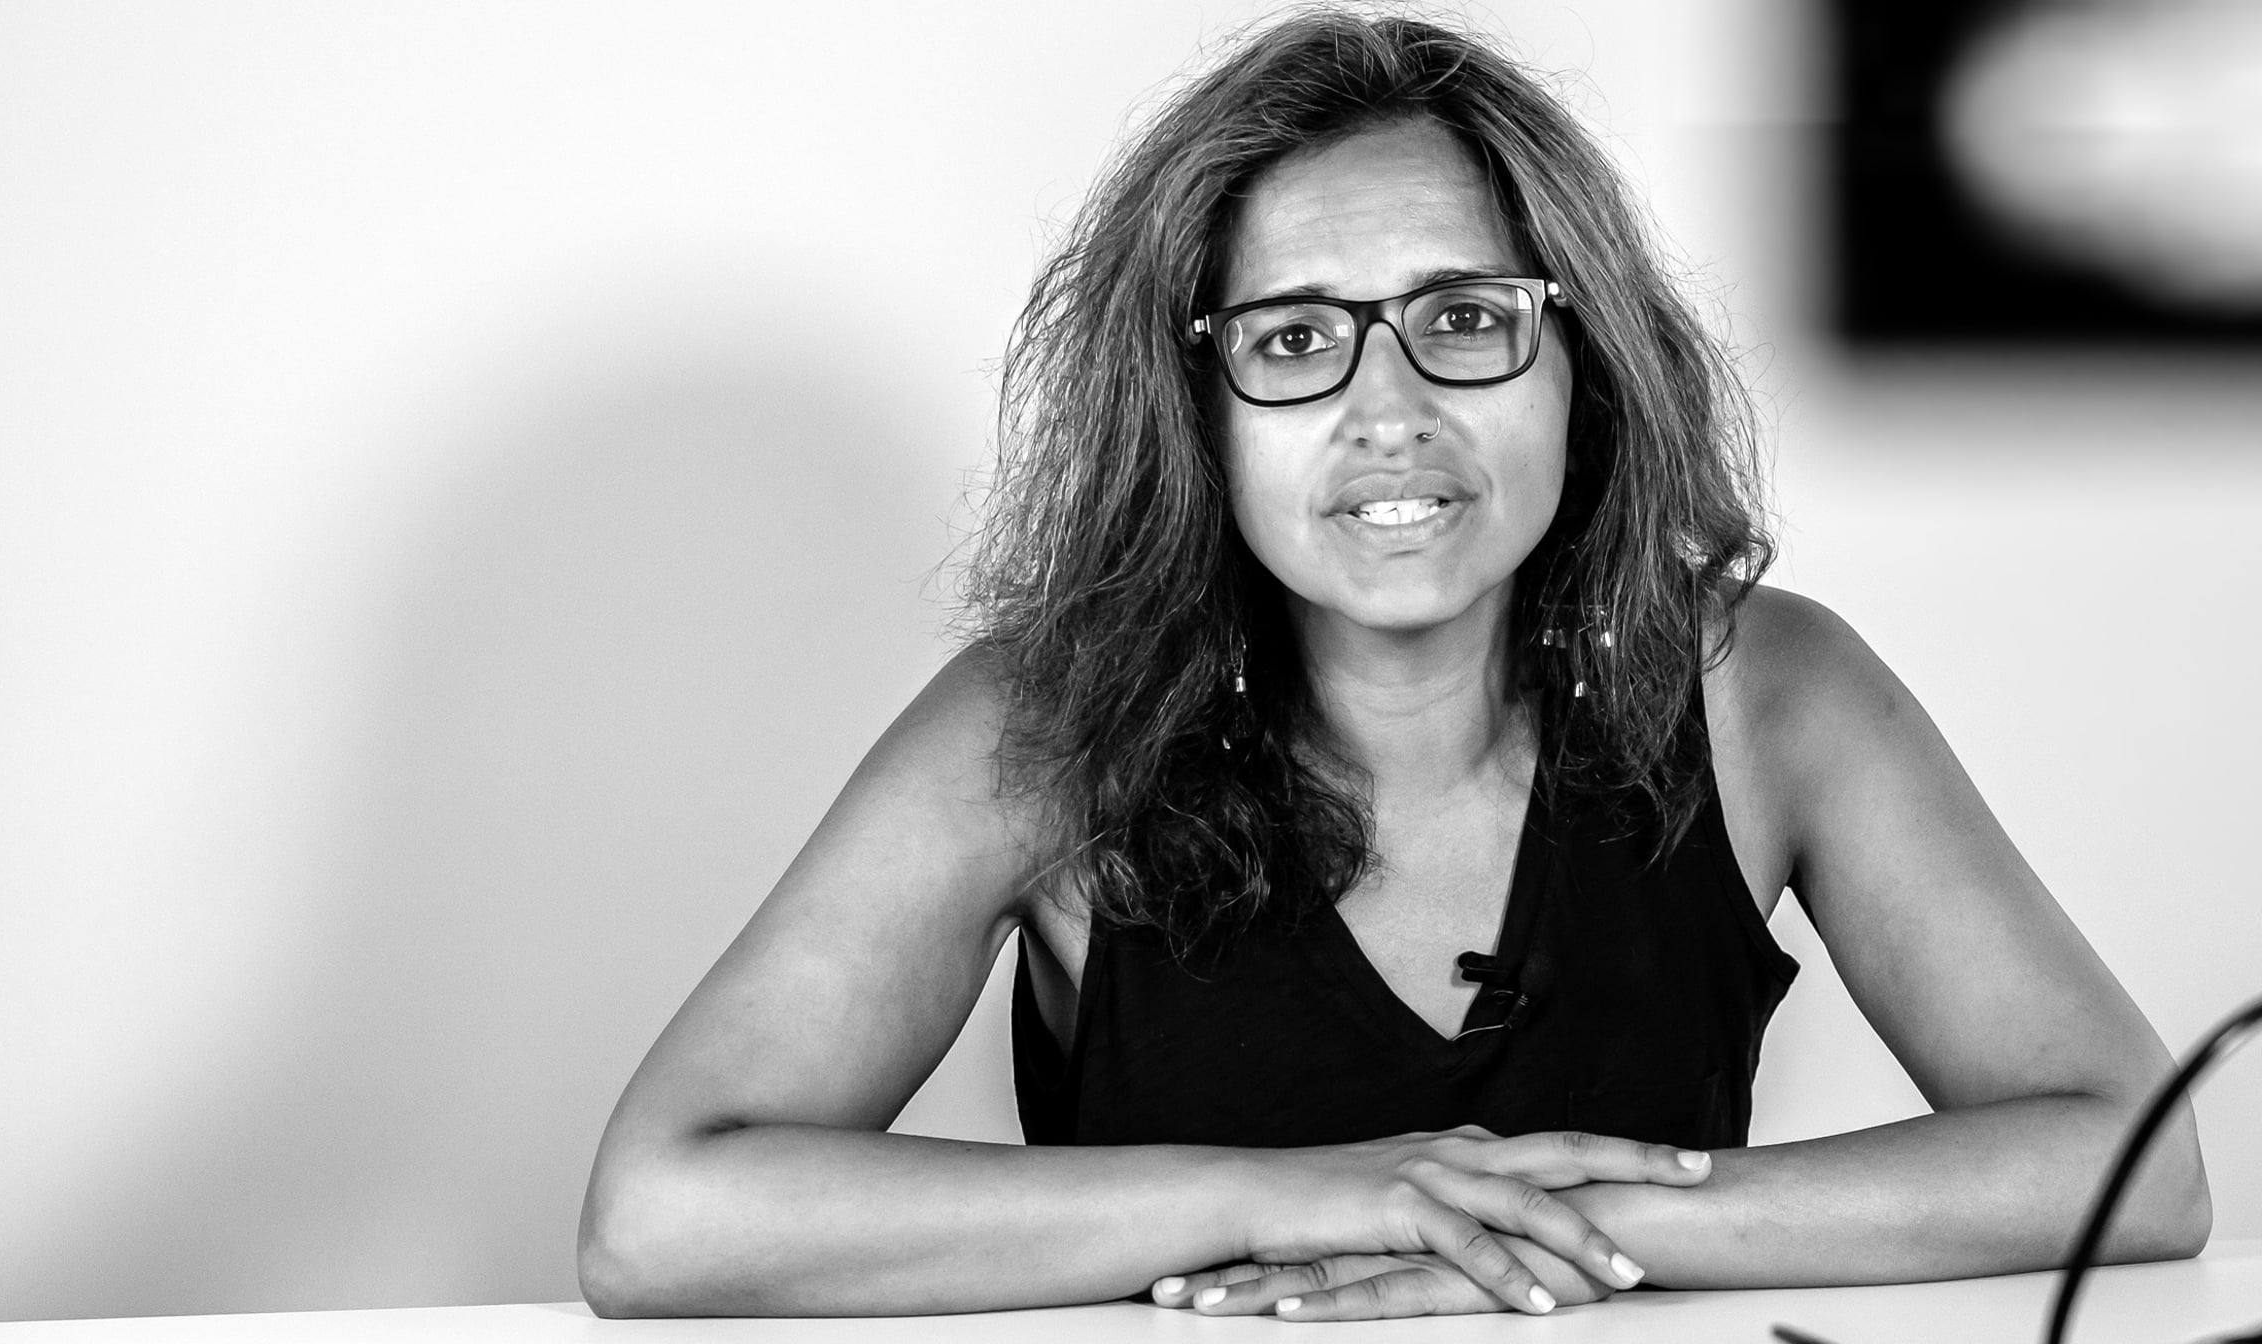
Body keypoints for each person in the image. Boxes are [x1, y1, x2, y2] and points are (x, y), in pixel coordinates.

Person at [577, 11, 2209, 1320]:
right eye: (1295, 338)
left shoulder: (1769, 690)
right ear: (1196, 413)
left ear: (1582, 362)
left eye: (1466, 317)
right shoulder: (1045, 722)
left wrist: (1557, 1232)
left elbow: (2141, 1167)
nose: (1389, 413)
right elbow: (663, 1217)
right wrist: (1302, 1194)